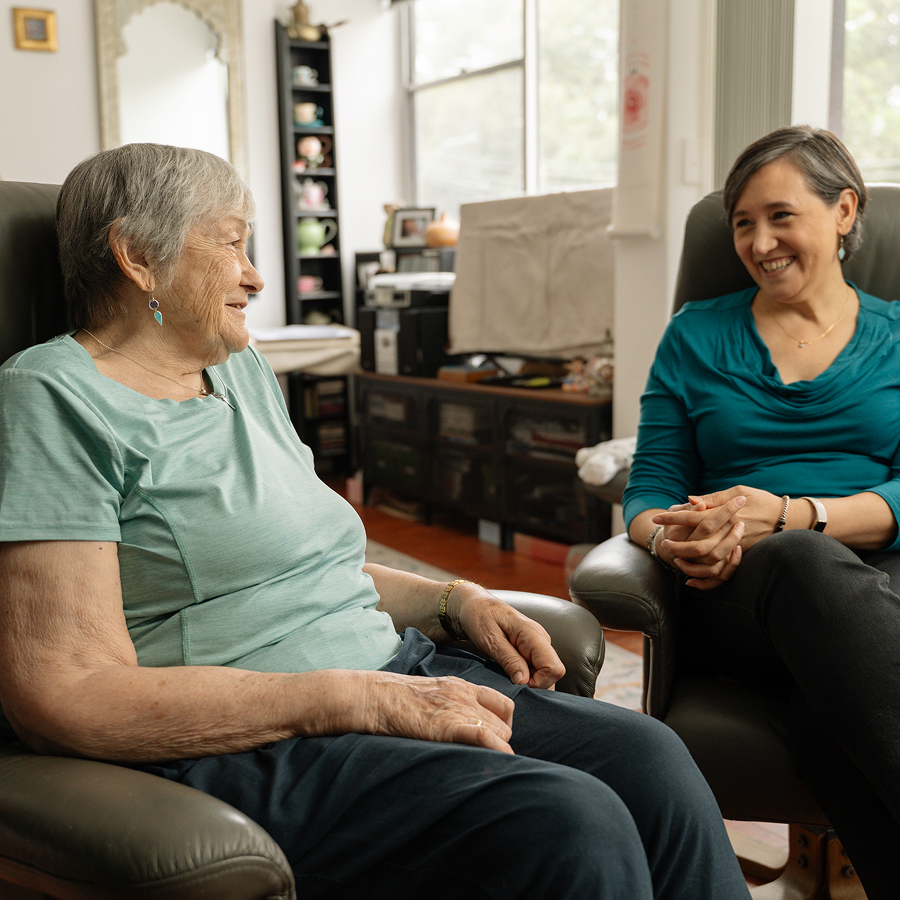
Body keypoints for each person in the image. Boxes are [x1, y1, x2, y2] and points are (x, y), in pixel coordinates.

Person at [0, 143, 751, 900]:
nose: (256, 275)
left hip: (388, 674)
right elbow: (63, 692)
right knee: (570, 819)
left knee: (651, 759)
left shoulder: (238, 372)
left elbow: (306, 568)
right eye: (232, 243)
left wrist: (454, 600)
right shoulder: (53, 395)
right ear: (136, 256)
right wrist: (355, 697)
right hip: (257, 737)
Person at [624, 124, 900, 899]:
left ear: (844, 211)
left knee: (827, 716)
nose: (758, 241)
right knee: (804, 564)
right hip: (742, 594)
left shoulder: (899, 336)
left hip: (881, 579)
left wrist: (793, 512)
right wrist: (674, 539)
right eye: (743, 222)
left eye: (780, 216)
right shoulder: (696, 335)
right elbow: (648, 489)